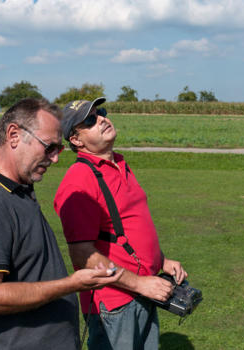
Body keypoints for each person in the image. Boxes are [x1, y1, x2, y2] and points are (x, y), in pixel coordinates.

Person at [0, 98, 123, 350]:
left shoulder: (17, 189)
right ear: (14, 135)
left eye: (59, 150)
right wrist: (72, 284)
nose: (54, 159)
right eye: (49, 147)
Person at [54, 98, 188, 349]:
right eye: (91, 120)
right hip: (114, 303)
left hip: (144, 291)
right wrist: (140, 283)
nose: (103, 119)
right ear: (76, 140)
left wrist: (160, 261)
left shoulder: (119, 163)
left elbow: (125, 229)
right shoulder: (78, 181)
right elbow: (82, 255)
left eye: (101, 112)